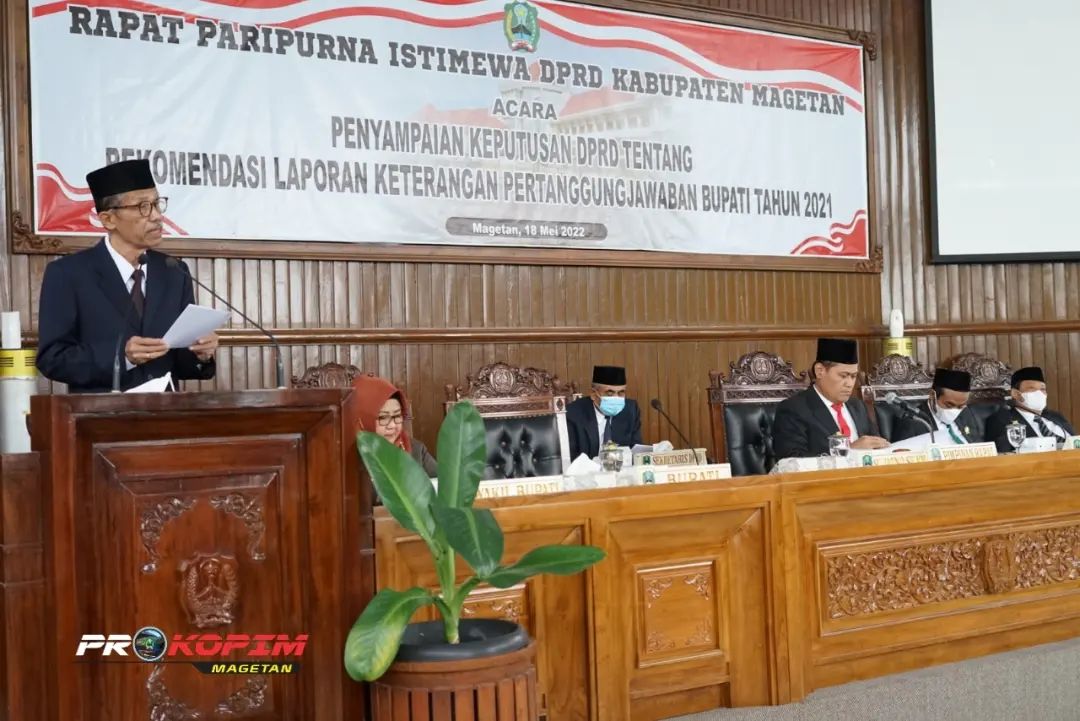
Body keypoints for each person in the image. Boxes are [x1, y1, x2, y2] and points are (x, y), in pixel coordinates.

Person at [35, 159, 217, 392]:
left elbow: (180, 362)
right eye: (143, 207)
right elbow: (53, 358)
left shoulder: (173, 271)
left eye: (157, 204)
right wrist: (123, 357)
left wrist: (201, 354)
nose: (156, 216)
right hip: (101, 412)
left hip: (165, 411)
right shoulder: (69, 274)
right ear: (108, 219)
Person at [773, 338, 889, 460]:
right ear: (820, 371)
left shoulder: (858, 407)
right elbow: (792, 461)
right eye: (843, 376)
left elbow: (877, 445)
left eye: (853, 376)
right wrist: (849, 450)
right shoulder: (794, 410)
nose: (849, 384)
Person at [352, 375, 437, 477]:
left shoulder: (417, 451)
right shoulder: (348, 459)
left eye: (397, 415)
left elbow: (444, 483)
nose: (392, 425)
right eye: (383, 417)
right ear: (362, 420)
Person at [985, 366, 1075, 453]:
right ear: (1016, 394)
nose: (1039, 393)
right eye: (1032, 389)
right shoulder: (1002, 420)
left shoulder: (1056, 416)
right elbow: (1004, 453)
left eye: (1043, 389)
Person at [565, 365, 643, 459]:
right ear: (593, 394)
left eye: (621, 393)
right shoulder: (573, 414)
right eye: (609, 393)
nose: (616, 398)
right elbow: (572, 457)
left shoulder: (630, 410)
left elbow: (635, 449)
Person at [893, 369, 983, 444]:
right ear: (933, 396)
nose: (955, 411)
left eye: (960, 406)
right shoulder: (913, 422)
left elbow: (978, 444)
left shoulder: (965, 412)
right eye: (949, 405)